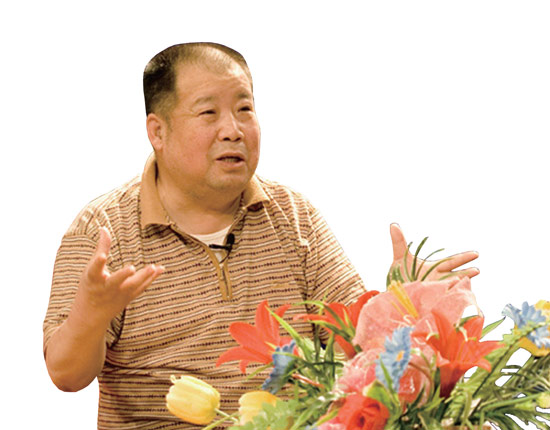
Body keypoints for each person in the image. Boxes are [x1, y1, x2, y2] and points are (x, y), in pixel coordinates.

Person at [43, 42, 478, 430]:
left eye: (244, 109)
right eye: (208, 113)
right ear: (158, 131)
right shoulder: (103, 230)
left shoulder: (293, 217)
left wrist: (404, 302)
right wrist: (91, 314)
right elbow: (66, 375)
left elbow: (356, 346)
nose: (232, 129)